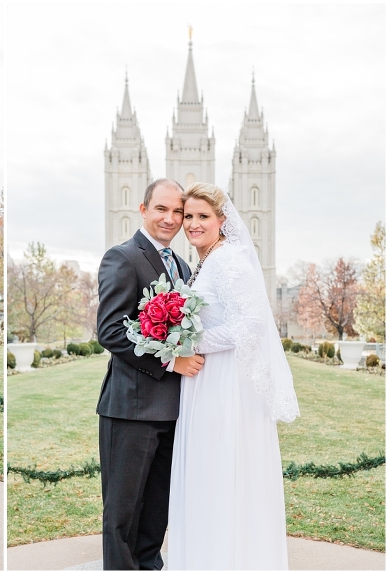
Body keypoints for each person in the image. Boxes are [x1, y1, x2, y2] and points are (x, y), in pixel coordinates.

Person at [168, 183, 299, 569]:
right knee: (207, 475)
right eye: (188, 216)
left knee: (223, 471)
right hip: (205, 382)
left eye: (202, 216)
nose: (192, 224)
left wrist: (193, 343)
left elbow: (253, 323)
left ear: (222, 221)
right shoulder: (208, 262)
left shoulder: (228, 260)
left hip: (225, 383)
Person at [96, 178, 205, 570]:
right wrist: (170, 362)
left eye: (178, 211)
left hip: (173, 411)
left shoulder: (183, 265)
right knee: (123, 516)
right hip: (131, 409)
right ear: (143, 209)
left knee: (157, 511)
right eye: (162, 209)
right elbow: (110, 330)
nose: (171, 218)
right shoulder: (122, 257)